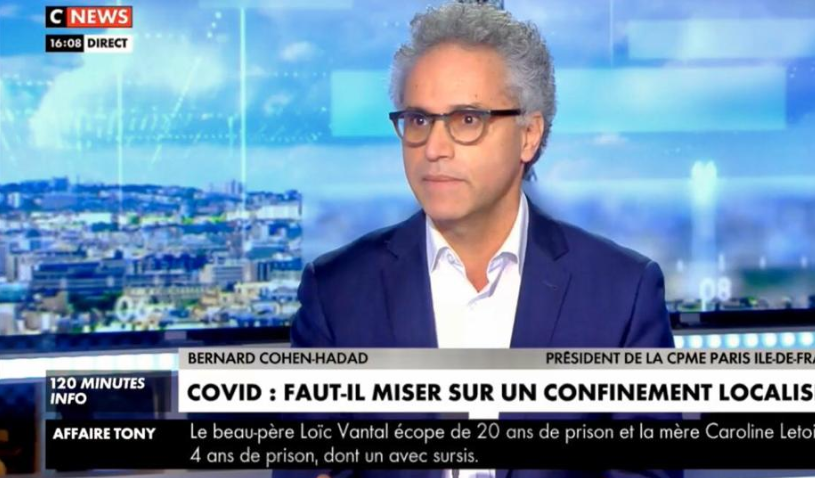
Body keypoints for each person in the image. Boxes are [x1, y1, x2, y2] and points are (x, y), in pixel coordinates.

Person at [280, 3, 680, 477]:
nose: (434, 148)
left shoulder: (622, 294)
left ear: (529, 135)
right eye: (419, 120)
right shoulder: (337, 292)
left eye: (467, 120)